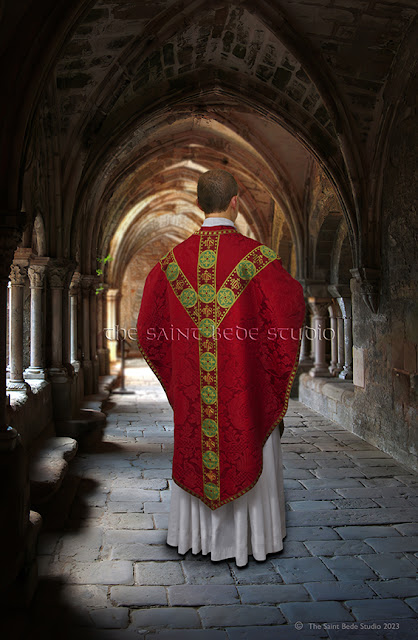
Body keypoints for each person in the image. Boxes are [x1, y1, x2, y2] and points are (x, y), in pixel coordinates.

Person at [136, 169, 305, 566]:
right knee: (248, 440)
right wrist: (258, 357)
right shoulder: (257, 260)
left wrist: (181, 373)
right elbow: (291, 302)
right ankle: (253, 541)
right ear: (235, 201)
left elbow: (147, 329)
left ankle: (195, 539)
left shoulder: (170, 265)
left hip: (196, 396)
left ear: (199, 204)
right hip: (245, 392)